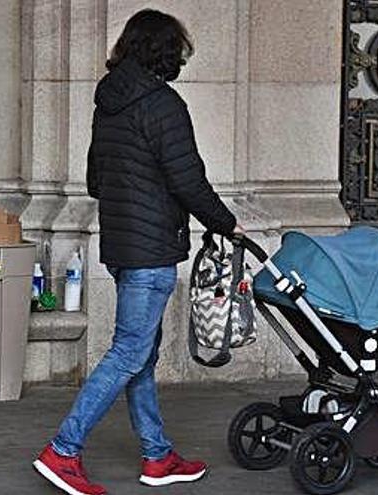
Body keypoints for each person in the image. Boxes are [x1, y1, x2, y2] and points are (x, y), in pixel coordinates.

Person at [32, 9, 244, 495]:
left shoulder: (108, 103)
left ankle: (157, 455)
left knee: (141, 355)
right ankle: (63, 451)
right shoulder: (164, 106)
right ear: (166, 53)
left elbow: (94, 180)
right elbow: (188, 180)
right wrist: (226, 223)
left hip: (122, 244)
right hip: (151, 250)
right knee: (129, 352)